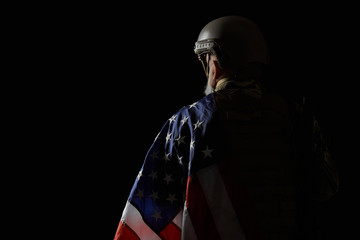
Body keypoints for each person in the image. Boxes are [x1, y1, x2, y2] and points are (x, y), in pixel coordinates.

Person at [114, 15, 339, 240]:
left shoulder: (191, 120)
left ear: (216, 61)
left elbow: (155, 205)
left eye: (205, 58)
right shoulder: (297, 116)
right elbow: (326, 188)